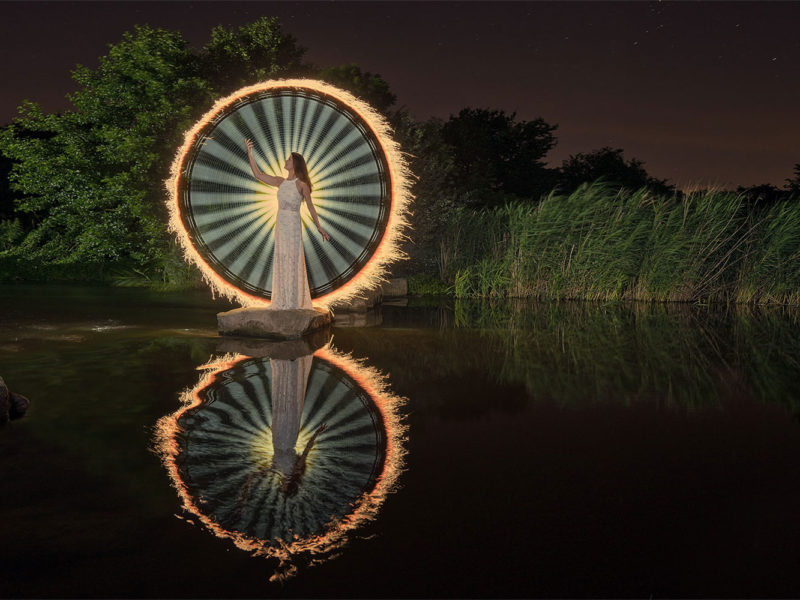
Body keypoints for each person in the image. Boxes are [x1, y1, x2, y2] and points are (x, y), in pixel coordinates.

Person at [244, 139, 331, 309]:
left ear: (295, 164)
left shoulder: (302, 184)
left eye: (289, 159)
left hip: (292, 225)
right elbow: (258, 174)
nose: (286, 161)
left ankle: (293, 301)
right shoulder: (280, 182)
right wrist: (250, 154)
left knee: (292, 259)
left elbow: (311, 208)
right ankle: (282, 299)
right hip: (281, 224)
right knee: (281, 257)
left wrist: (319, 228)